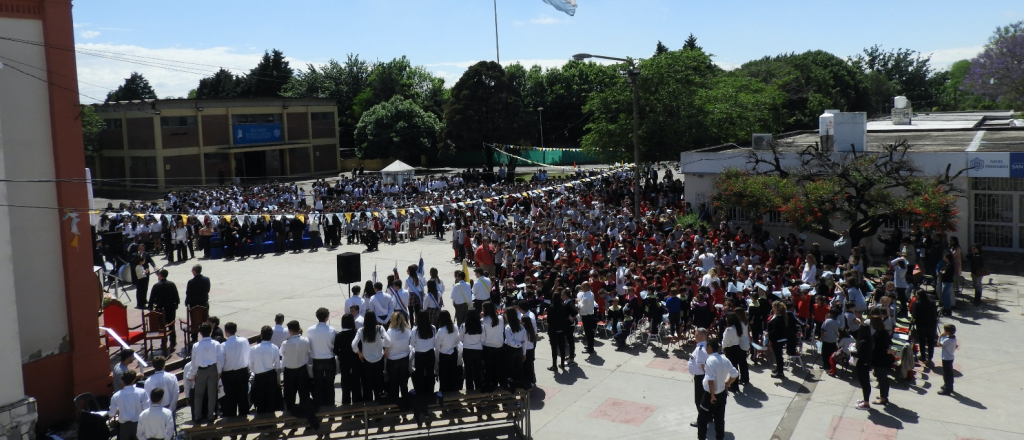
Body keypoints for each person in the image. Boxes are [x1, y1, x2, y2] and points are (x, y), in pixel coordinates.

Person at [696, 338, 739, 440]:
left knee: (702, 420)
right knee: (719, 419)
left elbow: (710, 380)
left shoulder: (710, 361)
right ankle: (720, 437)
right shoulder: (725, 359)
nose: (705, 348)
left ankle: (701, 438)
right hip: (722, 394)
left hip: (710, 396)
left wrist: (712, 395)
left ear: (710, 347)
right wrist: (727, 384)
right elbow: (735, 374)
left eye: (706, 346)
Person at [353, 311, 391, 401]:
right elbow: (388, 341)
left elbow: (353, 345)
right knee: (378, 382)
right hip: (379, 359)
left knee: (368, 383)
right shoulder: (379, 328)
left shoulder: (361, 330)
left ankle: (370, 402)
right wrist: (385, 351)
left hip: (367, 360)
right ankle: (379, 401)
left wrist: (359, 354)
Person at [188, 323, 220, 422]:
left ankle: (197, 416)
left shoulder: (196, 346)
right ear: (211, 331)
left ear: (200, 333)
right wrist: (219, 372)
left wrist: (193, 373)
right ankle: (211, 415)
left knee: (198, 394)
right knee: (212, 393)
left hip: (201, 371)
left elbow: (193, 362)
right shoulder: (216, 344)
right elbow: (220, 359)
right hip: (213, 369)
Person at [307, 307, 338, 408]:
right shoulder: (332, 330)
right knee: (330, 385)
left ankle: (319, 405)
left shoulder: (310, 330)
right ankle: (331, 405)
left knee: (318, 385)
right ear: (327, 317)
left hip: (317, 360)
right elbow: (334, 345)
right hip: (329, 360)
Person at [249, 325, 284, 415]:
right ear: (271, 336)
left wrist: (257, 371)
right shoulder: (275, 348)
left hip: (259, 376)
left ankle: (261, 421)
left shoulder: (253, 349)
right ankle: (271, 420)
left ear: (261, 335)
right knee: (271, 399)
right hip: (270, 375)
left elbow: (251, 365)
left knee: (260, 400)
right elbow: (277, 365)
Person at [411, 311, 438, 427]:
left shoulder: (415, 330)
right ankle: (430, 395)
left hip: (419, 355)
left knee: (420, 377)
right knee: (430, 375)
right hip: (430, 354)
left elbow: (412, 343)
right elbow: (434, 341)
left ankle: (421, 398)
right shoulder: (432, 328)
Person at [220, 322, 251, 418]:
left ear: (226, 332)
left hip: (229, 374)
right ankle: (244, 418)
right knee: (243, 397)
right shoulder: (244, 341)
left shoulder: (223, 345)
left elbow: (221, 361)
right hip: (242, 372)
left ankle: (232, 421)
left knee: (230, 398)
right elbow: (248, 354)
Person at [109, 369, 149, 440]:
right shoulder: (142, 392)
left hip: (124, 427)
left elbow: (111, 414)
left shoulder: (116, 396)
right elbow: (147, 409)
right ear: (134, 379)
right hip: (138, 424)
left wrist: (118, 410)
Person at [148, 269, 180, 350]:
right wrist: (176, 305)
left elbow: (151, 298)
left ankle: (163, 342)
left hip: (160, 309)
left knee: (162, 326)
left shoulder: (156, 286)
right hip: (171, 308)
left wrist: (150, 308)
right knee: (171, 325)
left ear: (160, 275)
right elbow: (176, 296)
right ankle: (173, 341)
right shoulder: (172, 284)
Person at [385, 311, 413, 405]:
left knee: (393, 385)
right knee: (403, 383)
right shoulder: (408, 331)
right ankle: (406, 403)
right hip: (404, 359)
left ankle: (395, 405)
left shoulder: (389, 332)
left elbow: (386, 346)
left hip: (392, 360)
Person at [434, 310, 461, 394]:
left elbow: (437, 346)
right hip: (453, 354)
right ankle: (453, 393)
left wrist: (437, 358)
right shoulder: (455, 327)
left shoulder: (440, 330)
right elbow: (458, 341)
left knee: (444, 376)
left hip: (443, 355)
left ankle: (444, 393)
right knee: (453, 374)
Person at [910, 289, 939, 366]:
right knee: (930, 342)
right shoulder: (932, 302)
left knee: (922, 341)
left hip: (921, 325)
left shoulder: (917, 303)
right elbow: (935, 313)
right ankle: (930, 358)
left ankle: (923, 356)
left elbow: (914, 315)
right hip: (931, 324)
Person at [481, 302, 505, 392]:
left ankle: (488, 385)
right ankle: (495, 385)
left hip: (488, 347)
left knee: (488, 368)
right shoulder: (500, 318)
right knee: (497, 368)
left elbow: (482, 337)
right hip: (499, 346)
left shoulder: (483, 321)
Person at [721, 313, 748, 392]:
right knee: (735, 366)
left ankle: (734, 386)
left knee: (732, 368)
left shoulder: (729, 330)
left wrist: (723, 348)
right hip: (736, 347)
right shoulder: (737, 327)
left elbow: (725, 341)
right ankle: (735, 384)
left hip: (730, 349)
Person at [688, 328, 709, 428]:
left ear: (701, 335)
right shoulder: (703, 346)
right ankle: (709, 417)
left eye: (696, 334)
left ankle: (701, 421)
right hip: (702, 377)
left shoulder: (701, 349)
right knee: (704, 399)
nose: (694, 335)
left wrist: (706, 380)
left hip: (701, 378)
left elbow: (703, 366)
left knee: (699, 400)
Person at [502, 307, 528, 391]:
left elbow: (510, 341)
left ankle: (512, 387)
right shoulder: (521, 327)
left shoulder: (508, 327)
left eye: (505, 313)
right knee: (519, 368)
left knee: (510, 369)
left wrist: (519, 345)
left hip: (510, 350)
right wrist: (523, 352)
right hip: (519, 351)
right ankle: (521, 385)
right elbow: (525, 341)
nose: (504, 315)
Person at [460, 308, 485, 391]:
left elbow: (461, 338)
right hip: (478, 350)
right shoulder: (481, 326)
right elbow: (483, 339)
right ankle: (478, 390)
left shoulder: (463, 326)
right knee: (477, 372)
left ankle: (470, 393)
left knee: (468, 372)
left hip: (467, 350)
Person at [870, 314, 892, 406]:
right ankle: (884, 396)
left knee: (881, 379)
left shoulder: (876, 335)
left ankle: (883, 398)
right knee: (884, 378)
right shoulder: (885, 332)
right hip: (885, 358)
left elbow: (874, 348)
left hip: (879, 359)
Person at [766, 302, 790, 379]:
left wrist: (768, 334)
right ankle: (778, 369)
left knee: (778, 356)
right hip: (777, 339)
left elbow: (776, 331)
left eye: (774, 307)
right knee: (778, 356)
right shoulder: (778, 316)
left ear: (778, 309)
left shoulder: (779, 319)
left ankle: (780, 372)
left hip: (777, 340)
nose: (773, 309)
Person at [853, 325, 874, 410]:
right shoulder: (870, 340)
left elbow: (858, 354)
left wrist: (851, 352)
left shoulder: (862, 342)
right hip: (867, 364)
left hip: (861, 364)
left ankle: (866, 403)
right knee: (866, 383)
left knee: (864, 384)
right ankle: (865, 400)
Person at [577, 281, 597, 354]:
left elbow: (583, 307)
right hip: (589, 315)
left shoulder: (587, 296)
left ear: (586, 287)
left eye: (582, 286)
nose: (581, 288)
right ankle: (590, 345)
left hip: (587, 315)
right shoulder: (589, 293)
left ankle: (590, 348)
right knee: (589, 332)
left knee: (588, 332)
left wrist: (578, 302)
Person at [938, 324, 958, 395]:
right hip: (951, 357)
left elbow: (939, 344)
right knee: (950, 373)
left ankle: (947, 389)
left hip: (946, 358)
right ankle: (949, 387)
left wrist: (940, 336)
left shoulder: (947, 340)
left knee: (946, 374)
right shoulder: (954, 339)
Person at [521, 316, 538, 389]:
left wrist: (523, 354)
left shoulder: (524, 331)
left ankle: (528, 382)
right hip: (531, 350)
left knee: (526, 368)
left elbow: (524, 343)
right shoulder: (531, 329)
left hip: (526, 351)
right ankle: (532, 381)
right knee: (530, 367)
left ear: (524, 322)